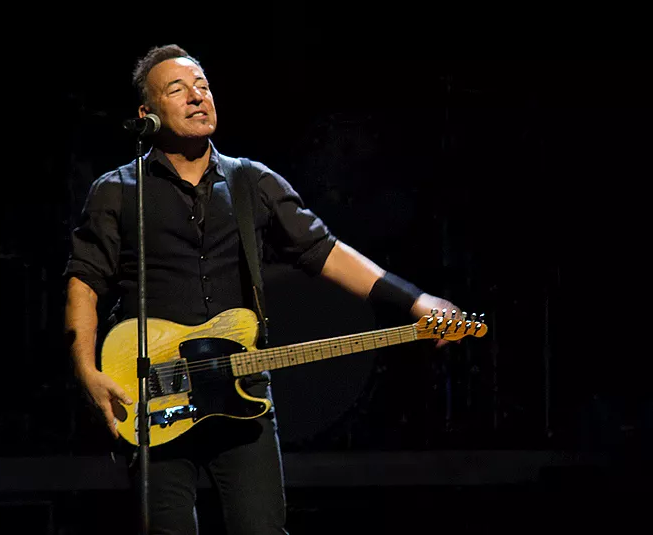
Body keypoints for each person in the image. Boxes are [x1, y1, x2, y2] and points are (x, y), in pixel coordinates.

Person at [63, 44, 463, 534]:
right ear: (146, 114)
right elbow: (85, 281)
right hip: (153, 394)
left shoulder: (252, 181)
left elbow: (325, 252)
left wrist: (416, 300)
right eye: (178, 89)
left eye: (203, 87)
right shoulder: (119, 189)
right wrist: (86, 370)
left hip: (241, 392)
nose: (196, 97)